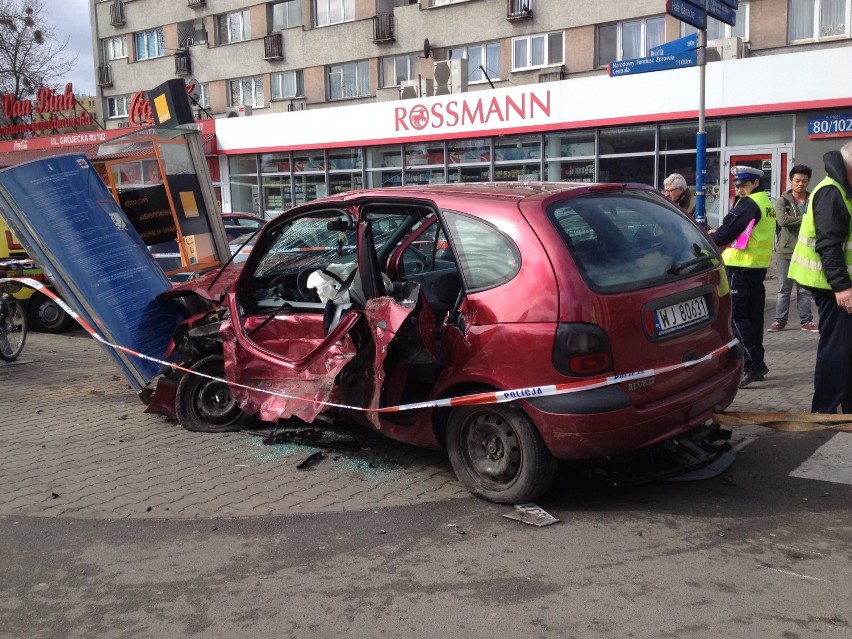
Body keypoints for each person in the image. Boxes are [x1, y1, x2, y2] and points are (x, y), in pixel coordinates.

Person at [788, 141, 852, 414]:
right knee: (836, 348)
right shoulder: (831, 191)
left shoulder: (843, 188)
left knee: (845, 348)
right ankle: (823, 410)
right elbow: (828, 244)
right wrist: (842, 287)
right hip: (829, 284)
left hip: (837, 282)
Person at [707, 165, 775, 388]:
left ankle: (752, 364)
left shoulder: (750, 204)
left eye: (744, 185)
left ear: (756, 183)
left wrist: (710, 238)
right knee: (754, 318)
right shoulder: (767, 203)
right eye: (737, 186)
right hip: (756, 268)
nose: (740, 190)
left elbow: (728, 232)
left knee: (737, 317)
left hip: (740, 268)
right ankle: (758, 363)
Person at [768, 165, 818, 333]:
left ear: (808, 182)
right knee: (784, 289)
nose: (800, 184)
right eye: (797, 181)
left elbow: (818, 220)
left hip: (806, 250)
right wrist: (806, 218)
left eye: (804, 181)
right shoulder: (782, 201)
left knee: (804, 289)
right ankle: (779, 321)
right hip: (786, 251)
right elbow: (783, 221)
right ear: (791, 181)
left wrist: (796, 219)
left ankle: (806, 321)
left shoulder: (813, 200)